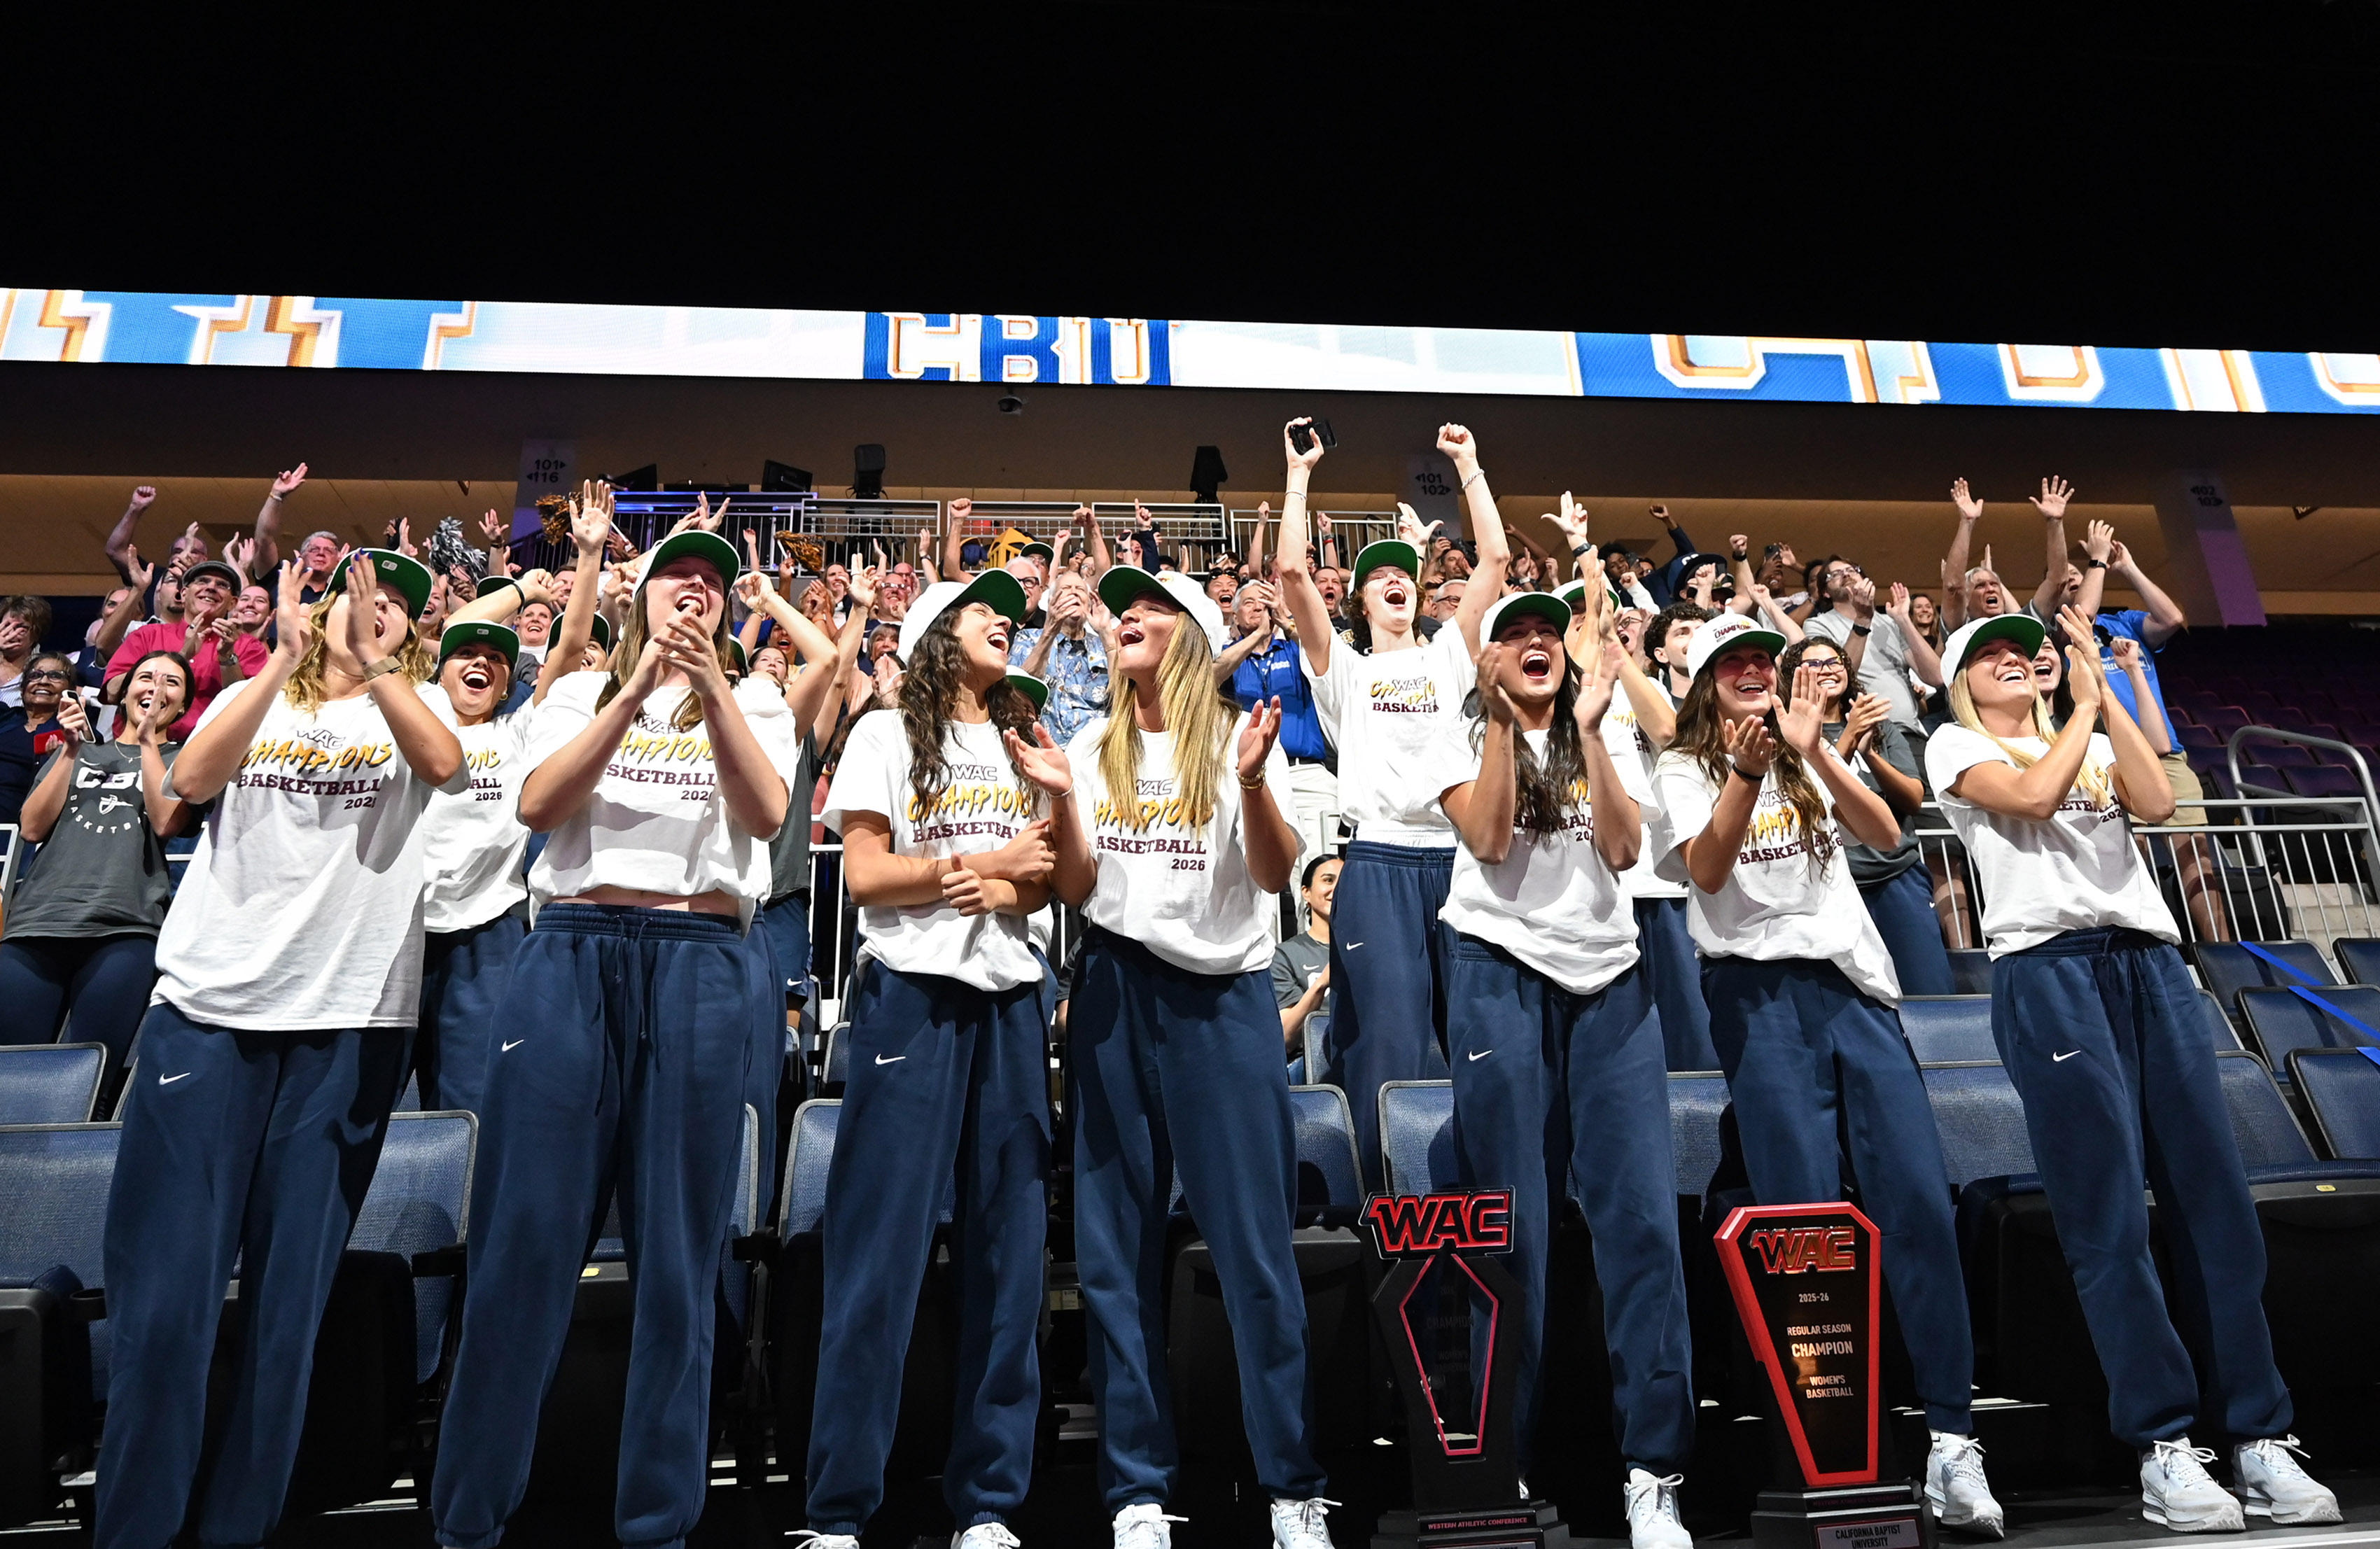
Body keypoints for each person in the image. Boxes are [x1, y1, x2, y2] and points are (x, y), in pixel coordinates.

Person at [1926, 609, 2339, 1532]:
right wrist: (2076, 706)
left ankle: (2260, 1436)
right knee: (2107, 1215)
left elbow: (2158, 806)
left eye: (2020, 648)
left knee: (2214, 1204)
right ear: (1958, 677)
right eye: (1991, 652)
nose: (2013, 660)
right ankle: (2163, 1443)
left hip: (2150, 961)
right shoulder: (1954, 744)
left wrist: (2103, 692)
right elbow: (2032, 799)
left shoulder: (2081, 724)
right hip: (2050, 972)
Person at [430, 524, 800, 1549]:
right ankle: (468, 1520)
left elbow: (766, 813)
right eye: (676, 577)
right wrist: (634, 693)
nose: (695, 593)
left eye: (712, 584)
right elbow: (540, 805)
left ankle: (657, 1524)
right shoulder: (569, 692)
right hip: (574, 946)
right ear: (637, 594)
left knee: (681, 1260)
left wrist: (711, 690)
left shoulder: (759, 696)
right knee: (521, 1249)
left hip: (702, 952)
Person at [94, 552, 463, 1549]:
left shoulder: (416, 702)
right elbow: (185, 788)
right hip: (211, 1015)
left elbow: (442, 766)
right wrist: (276, 663)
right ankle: (132, 1529)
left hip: (347, 1027)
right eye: (358, 587)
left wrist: (383, 668)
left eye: (394, 599)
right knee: (163, 1311)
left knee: (285, 1316)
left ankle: (235, 1529)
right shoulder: (264, 698)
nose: (372, 606)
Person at [1650, 612, 2003, 1538]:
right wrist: (1747, 769)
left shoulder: (1806, 750)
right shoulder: (1682, 768)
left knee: (1919, 1204)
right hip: (1757, 997)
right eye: (1733, 661)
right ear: (1703, 680)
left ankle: (1953, 1444)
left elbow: (1888, 830)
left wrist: (1818, 755)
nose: (1753, 670)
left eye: (1762, 659)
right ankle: (1833, 1446)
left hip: (1854, 987)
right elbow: (1712, 870)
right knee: (1804, 1227)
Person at [1005, 561, 1333, 1549]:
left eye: (1147, 606)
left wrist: (1247, 783)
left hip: (1223, 1006)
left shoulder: (1242, 736)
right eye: (1120, 610)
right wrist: (1062, 801)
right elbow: (1073, 885)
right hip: (1113, 994)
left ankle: (1292, 1485)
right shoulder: (1093, 741)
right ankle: (1137, 1492)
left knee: (1256, 1253)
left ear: (1189, 635)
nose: (1126, 616)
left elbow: (1276, 874)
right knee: (1113, 1256)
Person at [1436, 591, 1695, 1549]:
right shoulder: (1455, 736)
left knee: (1641, 1222)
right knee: (1514, 1227)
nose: (1538, 641)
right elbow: (1493, 837)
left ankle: (1653, 1472)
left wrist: (1588, 730)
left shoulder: (1605, 730)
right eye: (1515, 634)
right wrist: (1508, 725)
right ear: (1487, 658)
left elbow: (1627, 849)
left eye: (1549, 632)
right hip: (1497, 971)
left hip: (1612, 981)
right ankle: (1507, 1462)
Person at [802, 567, 1054, 1549]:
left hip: (1012, 1002)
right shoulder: (881, 733)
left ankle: (989, 1504)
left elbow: (1041, 877)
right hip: (909, 1002)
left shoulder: (1022, 737)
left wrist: (1008, 887)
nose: (1005, 618)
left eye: (1010, 609)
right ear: (939, 631)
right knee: (879, 1258)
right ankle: (838, 1509)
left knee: (1009, 1262)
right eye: (984, 607)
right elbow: (865, 876)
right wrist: (987, 867)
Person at [1275, 417, 1511, 1184]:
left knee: (1480, 1036)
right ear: (1363, 602)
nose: (1392, 580)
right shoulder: (1342, 668)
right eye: (1376, 577)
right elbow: (1291, 575)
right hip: (1376, 858)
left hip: (1459, 859)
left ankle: (1489, 1194)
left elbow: (1497, 559)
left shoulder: (1449, 650)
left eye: (1400, 572)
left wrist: (1469, 465)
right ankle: (1387, 1203)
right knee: (1387, 1042)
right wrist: (1300, 475)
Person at [0, 650, 192, 1075]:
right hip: (40, 920)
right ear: (124, 693)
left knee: (92, 1072)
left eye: (172, 682)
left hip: (126, 926)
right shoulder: (78, 750)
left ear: (182, 704)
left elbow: (165, 823)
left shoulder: (184, 760)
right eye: (146, 676)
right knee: (10, 1069)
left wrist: (147, 741)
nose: (156, 686)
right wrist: (70, 751)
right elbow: (32, 827)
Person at [1775, 638, 1953, 995]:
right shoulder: (1787, 738)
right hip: (1834, 886)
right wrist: (1848, 737)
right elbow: (1810, 800)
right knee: (1857, 996)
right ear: (1795, 677)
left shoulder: (1881, 725)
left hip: (1896, 877)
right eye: (1814, 665)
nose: (1827, 670)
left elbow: (1914, 799)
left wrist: (1870, 754)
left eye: (1834, 661)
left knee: (1929, 989)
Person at [1217, 577, 1336, 874]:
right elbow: (1209, 676)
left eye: (1265, 600)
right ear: (1234, 614)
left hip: (1305, 771)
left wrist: (1286, 619)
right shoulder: (1229, 653)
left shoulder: (1293, 650)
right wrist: (1254, 638)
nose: (1259, 607)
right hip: (1253, 776)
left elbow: (1326, 653)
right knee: (1260, 872)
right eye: (1249, 602)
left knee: (1322, 871)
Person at [105, 559, 270, 739]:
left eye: (222, 585)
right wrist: (181, 657)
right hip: (139, 748)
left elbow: (252, 709)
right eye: (202, 581)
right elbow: (112, 692)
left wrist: (227, 657)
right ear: (183, 594)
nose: (211, 587)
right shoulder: (147, 635)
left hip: (210, 754)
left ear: (233, 604)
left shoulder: (248, 646)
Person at [1801, 561, 1942, 736]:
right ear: (1825, 592)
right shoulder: (1817, 625)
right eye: (1836, 574)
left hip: (1911, 730)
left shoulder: (1890, 622)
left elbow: (1936, 676)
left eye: (1851, 570)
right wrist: (1862, 620)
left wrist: (1904, 619)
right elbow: (1840, 675)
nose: (1846, 575)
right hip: (1866, 735)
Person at [1013, 564, 1111, 745]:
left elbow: (1123, 698)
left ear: (1089, 603)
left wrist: (1106, 633)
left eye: (1080, 589)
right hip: (1043, 750)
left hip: (1094, 753)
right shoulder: (1028, 638)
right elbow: (1020, 689)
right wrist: (1049, 631)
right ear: (1051, 603)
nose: (1074, 593)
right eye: (1066, 589)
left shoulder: (1104, 645)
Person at [1273, 853, 1340, 1058]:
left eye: (1345, 881)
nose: (1337, 888)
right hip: (1311, 1065)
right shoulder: (1285, 955)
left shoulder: (1371, 951)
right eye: (1328, 880)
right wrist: (1322, 984)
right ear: (1306, 893)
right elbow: (1286, 1037)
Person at [0, 651, 74, 827]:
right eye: (35, 675)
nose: (44, 681)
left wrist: (58, 760)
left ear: (70, 690)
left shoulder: (74, 734)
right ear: (22, 688)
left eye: (56, 676)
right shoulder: (6, 719)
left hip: (20, 829)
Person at [0, 595, 50, 708]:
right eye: (6, 626)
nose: (11, 633)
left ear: (36, 634)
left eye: (21, 628)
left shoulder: (45, 669)